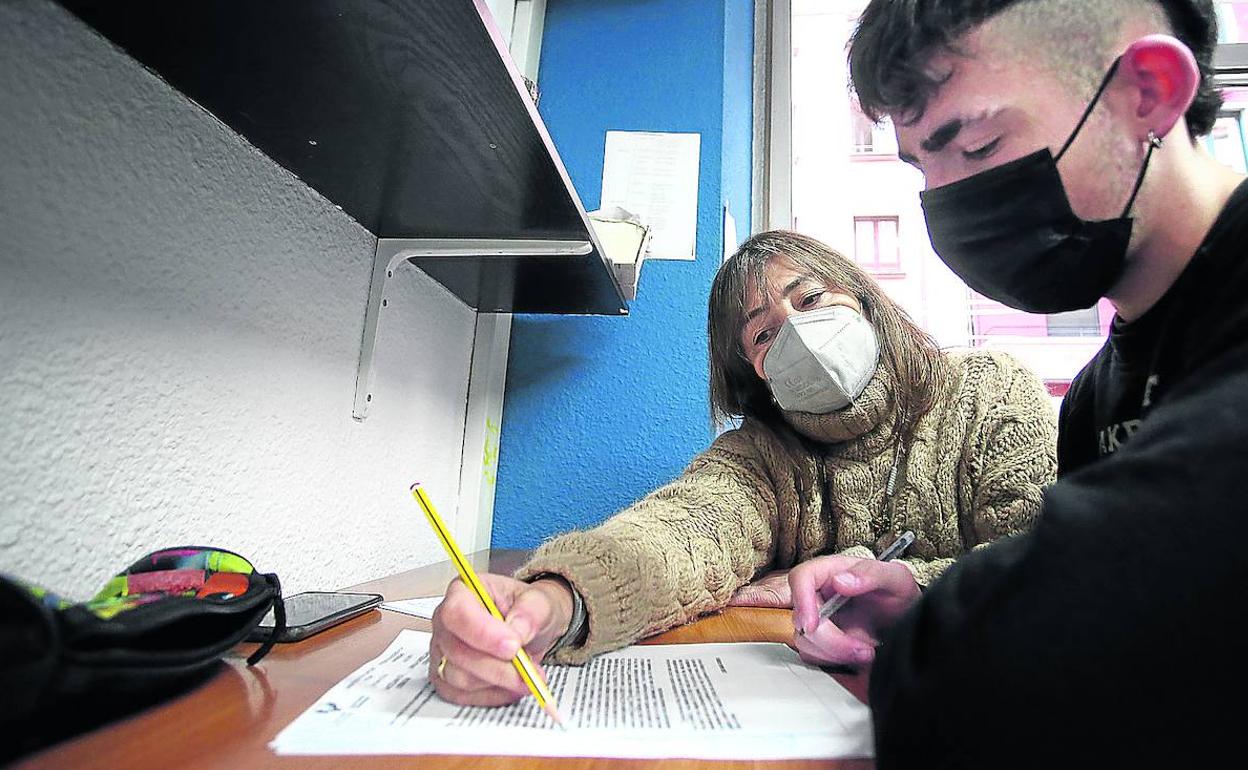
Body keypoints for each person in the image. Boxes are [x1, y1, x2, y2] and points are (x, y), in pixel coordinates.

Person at [786, 0, 1248, 766]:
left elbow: (1002, 671)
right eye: (922, 168)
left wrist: (956, 635)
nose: (946, 203)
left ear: (1150, 91)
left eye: (977, 145)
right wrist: (920, 598)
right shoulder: (1100, 392)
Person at [428, 230, 1057, 709]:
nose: (799, 332)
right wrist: (557, 599)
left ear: (862, 299)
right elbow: (681, 532)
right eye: (763, 335)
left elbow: (1050, 565)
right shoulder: (761, 455)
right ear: (753, 374)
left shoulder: (991, 391)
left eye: (811, 298)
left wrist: (911, 588)